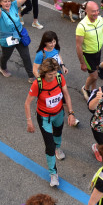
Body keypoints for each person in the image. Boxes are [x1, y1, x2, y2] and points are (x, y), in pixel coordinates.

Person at [24, 58, 76, 187]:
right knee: (49, 145)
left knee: (58, 134)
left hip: (59, 114)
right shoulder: (38, 84)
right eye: (50, 75)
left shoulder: (59, 78)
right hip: (44, 118)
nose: (53, 77)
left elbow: (67, 95)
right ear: (44, 73)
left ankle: (58, 148)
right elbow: (27, 103)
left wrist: (71, 113)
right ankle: (53, 174)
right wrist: (29, 121)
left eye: (55, 73)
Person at [0, 0, 39, 80]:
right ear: (0, 3)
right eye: (4, 1)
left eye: (9, 1)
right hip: (8, 39)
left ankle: (31, 76)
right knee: (6, 56)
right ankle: (2, 68)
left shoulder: (14, 5)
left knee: (26, 56)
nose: (7, 3)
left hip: (19, 35)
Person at [76, 1, 103, 101]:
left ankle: (93, 94)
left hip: (97, 53)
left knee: (95, 76)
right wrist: (82, 63)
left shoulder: (100, 20)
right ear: (86, 11)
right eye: (93, 11)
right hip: (88, 55)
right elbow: (78, 46)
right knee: (94, 75)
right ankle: (85, 88)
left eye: (98, 10)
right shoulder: (82, 26)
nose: (96, 13)